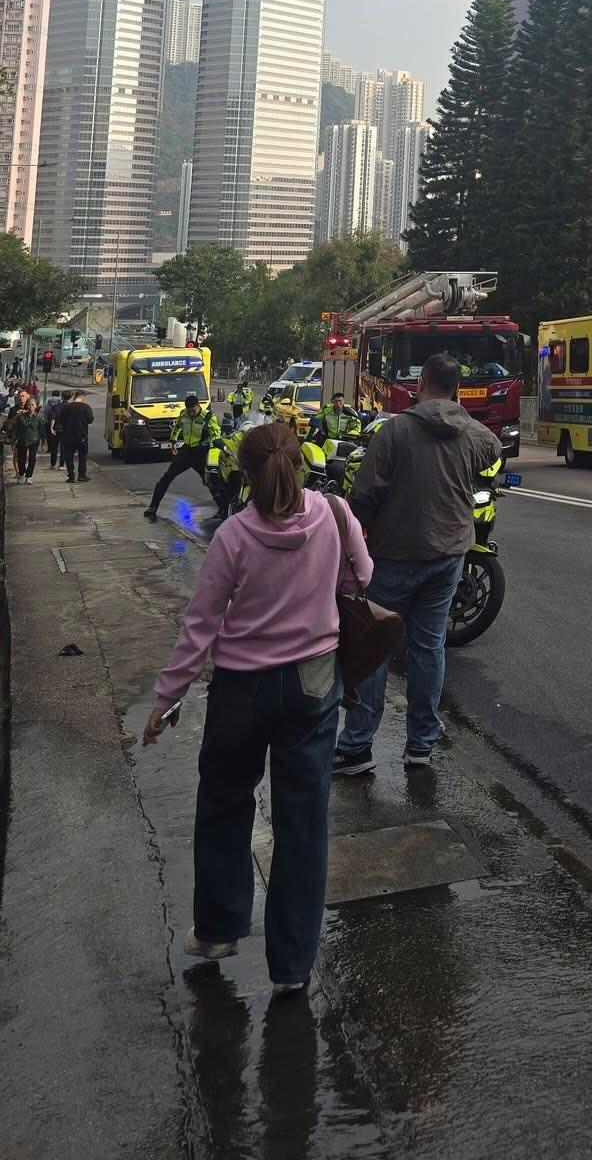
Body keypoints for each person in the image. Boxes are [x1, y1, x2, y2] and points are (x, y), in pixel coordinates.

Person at [142, 423, 371, 995]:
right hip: (315, 684)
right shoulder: (335, 515)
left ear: (244, 476)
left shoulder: (235, 537)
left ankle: (219, 929)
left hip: (242, 687)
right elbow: (362, 576)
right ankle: (293, 967)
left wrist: (167, 699)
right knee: (303, 821)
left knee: (224, 800)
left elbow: (201, 626)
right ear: (300, 464)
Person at [333, 352, 498, 775]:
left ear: (421, 383)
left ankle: (356, 747)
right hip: (449, 558)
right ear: (456, 389)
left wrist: (353, 543)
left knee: (376, 646)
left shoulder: (395, 432)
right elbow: (493, 452)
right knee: (429, 646)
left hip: (394, 556)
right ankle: (421, 745)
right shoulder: (474, 433)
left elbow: (365, 495)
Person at [144, 395, 222, 523]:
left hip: (201, 453)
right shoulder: (184, 414)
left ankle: (223, 509)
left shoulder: (208, 417)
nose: (191, 413)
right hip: (186, 451)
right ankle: (153, 507)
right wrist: (173, 441)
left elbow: (216, 435)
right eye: (189, 410)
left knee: (211, 481)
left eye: (193, 410)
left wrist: (211, 451)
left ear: (198, 406)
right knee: (167, 477)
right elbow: (177, 426)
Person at [57, 390, 93, 483]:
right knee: (83, 456)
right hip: (82, 436)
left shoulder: (66, 407)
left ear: (74, 397)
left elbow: (60, 419)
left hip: (68, 436)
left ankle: (71, 476)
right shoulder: (86, 407)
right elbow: (90, 420)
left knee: (69, 456)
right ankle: (82, 475)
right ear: (83, 397)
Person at [11, 396, 42, 483]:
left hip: (34, 441)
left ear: (36, 406)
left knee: (32, 458)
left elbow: (42, 430)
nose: (31, 407)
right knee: (21, 459)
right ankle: (21, 474)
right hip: (22, 440)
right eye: (29, 405)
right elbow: (15, 429)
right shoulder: (21, 417)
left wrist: (44, 441)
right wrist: (13, 441)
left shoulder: (39, 417)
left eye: (33, 405)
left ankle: (29, 476)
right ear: (26, 406)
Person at [43, 389, 64, 468]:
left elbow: (44, 410)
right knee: (62, 446)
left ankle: (50, 450)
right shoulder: (60, 402)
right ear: (58, 395)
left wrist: (45, 418)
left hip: (49, 421)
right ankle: (61, 464)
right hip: (60, 424)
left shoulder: (48, 401)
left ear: (52, 394)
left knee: (50, 437)